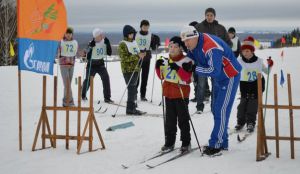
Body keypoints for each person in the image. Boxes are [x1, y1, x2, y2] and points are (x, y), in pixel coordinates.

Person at [180, 26, 242, 156]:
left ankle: (216, 144)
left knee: (221, 109)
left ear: (194, 37)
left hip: (230, 76)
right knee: (215, 109)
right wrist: (176, 63)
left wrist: (195, 68)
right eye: (184, 41)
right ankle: (223, 141)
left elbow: (214, 70)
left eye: (187, 41)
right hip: (219, 78)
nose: (185, 44)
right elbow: (189, 60)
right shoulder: (194, 45)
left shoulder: (210, 48)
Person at [155, 36, 193, 153]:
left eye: (175, 47)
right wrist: (157, 67)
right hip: (168, 94)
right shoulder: (165, 60)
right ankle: (169, 142)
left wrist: (177, 68)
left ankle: (186, 142)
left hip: (181, 94)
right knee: (170, 121)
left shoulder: (186, 61)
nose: (172, 49)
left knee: (183, 120)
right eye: (170, 46)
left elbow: (188, 79)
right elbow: (161, 76)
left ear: (181, 48)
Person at [194, 7, 232, 113]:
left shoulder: (220, 28)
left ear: (214, 16)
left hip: (216, 61)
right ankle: (199, 106)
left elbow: (228, 43)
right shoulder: (198, 27)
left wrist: (223, 52)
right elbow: (193, 42)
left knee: (216, 84)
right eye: (207, 15)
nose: (209, 17)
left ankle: (214, 106)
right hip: (202, 61)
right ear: (205, 16)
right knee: (201, 84)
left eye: (211, 15)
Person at [235, 36, 274, 133]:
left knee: (252, 106)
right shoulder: (239, 61)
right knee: (241, 106)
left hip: (256, 86)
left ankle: (251, 123)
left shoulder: (259, 61)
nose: (245, 53)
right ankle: (241, 121)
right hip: (244, 86)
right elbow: (233, 69)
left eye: (248, 51)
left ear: (252, 51)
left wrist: (270, 65)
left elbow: (267, 72)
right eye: (244, 51)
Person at [118, 25, 147, 115]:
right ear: (126, 35)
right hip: (127, 69)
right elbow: (124, 58)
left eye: (133, 34)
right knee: (131, 88)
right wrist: (137, 56)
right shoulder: (122, 44)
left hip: (136, 68)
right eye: (130, 34)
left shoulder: (134, 42)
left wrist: (141, 54)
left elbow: (136, 53)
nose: (132, 35)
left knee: (134, 88)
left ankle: (133, 106)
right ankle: (130, 109)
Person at [81, 28, 114, 103]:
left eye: (102, 34)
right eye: (100, 35)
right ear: (96, 36)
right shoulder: (91, 43)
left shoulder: (104, 42)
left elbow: (109, 53)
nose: (102, 36)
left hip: (100, 64)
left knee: (106, 78)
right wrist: (90, 47)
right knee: (88, 80)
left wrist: (108, 43)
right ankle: (83, 95)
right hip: (91, 65)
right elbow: (87, 56)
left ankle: (107, 98)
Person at [135, 20, 160, 101]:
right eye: (144, 27)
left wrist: (156, 42)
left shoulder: (151, 36)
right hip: (137, 58)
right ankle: (134, 94)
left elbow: (153, 47)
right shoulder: (136, 34)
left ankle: (143, 95)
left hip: (147, 58)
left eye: (147, 27)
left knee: (145, 78)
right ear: (141, 27)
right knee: (136, 78)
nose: (145, 28)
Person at [58, 27, 78, 107]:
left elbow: (75, 51)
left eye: (70, 33)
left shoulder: (74, 42)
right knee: (67, 84)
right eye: (67, 33)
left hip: (71, 64)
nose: (68, 35)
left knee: (68, 84)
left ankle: (65, 101)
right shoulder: (61, 42)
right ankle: (70, 102)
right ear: (64, 34)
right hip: (63, 65)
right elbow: (58, 51)